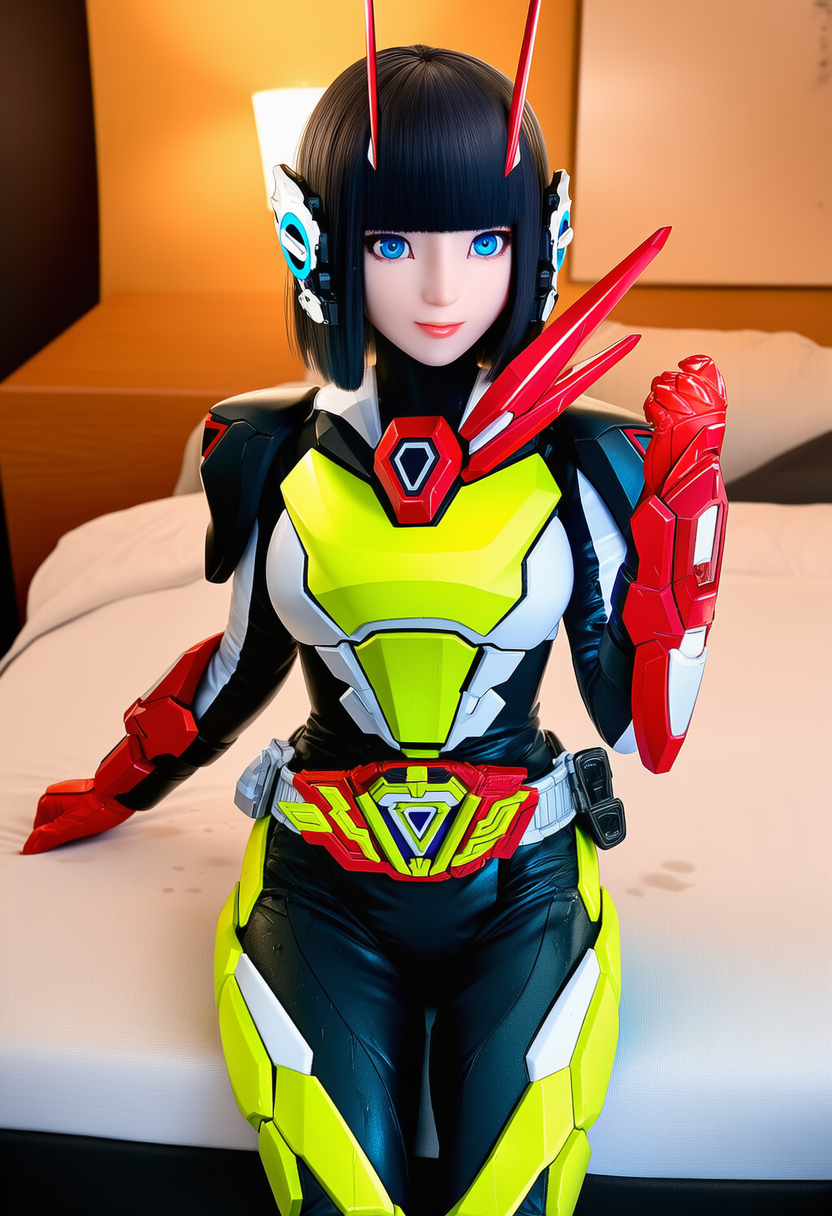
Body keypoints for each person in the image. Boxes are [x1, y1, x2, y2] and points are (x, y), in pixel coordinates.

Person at [23, 26, 727, 1216]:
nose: (441, 289)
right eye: (392, 242)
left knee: (514, 1189)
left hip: (520, 872)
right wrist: (121, 782)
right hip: (323, 872)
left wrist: (683, 547)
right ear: (320, 241)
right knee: (338, 1190)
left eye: (483, 241)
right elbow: (240, 660)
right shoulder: (262, 446)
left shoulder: (595, 458)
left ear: (538, 241)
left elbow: (639, 726)